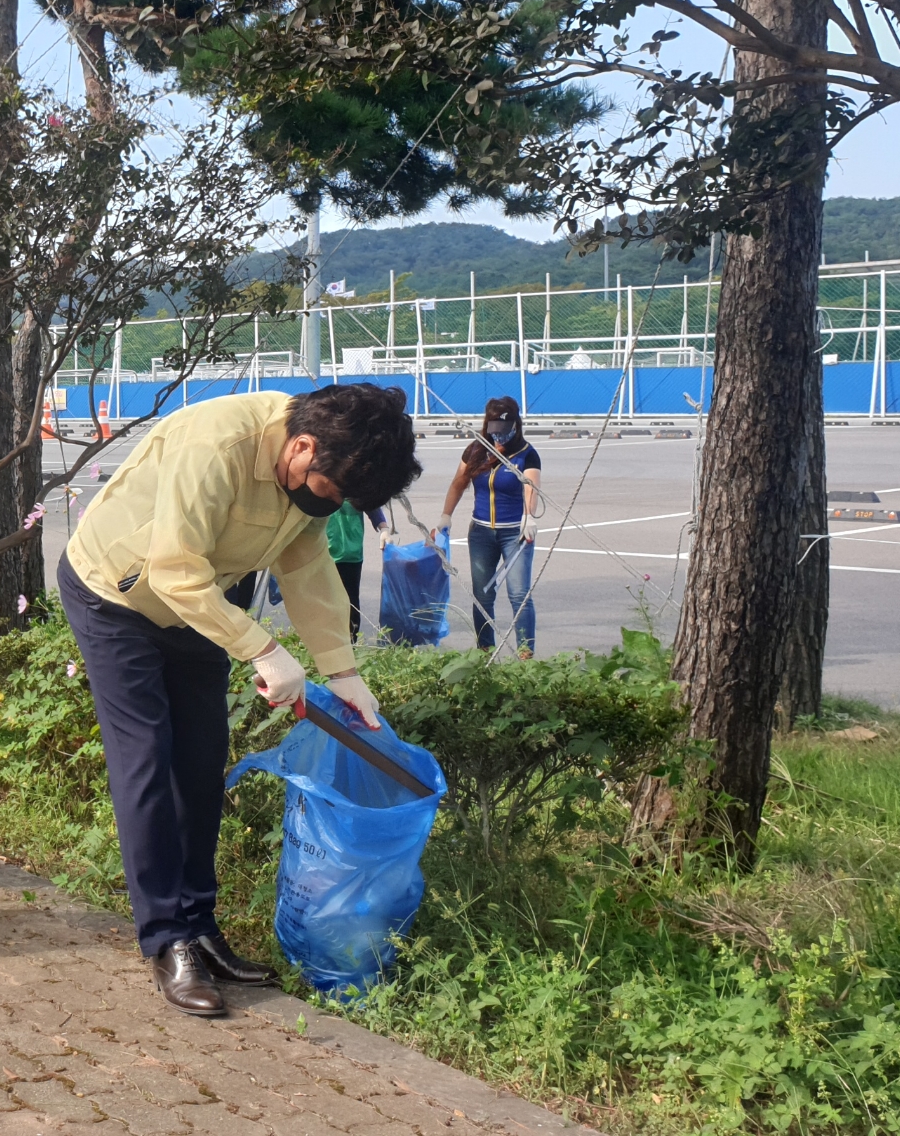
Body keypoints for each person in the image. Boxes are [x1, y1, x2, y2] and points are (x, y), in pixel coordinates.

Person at [61, 383, 421, 1018]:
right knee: (146, 758)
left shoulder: (311, 469)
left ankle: (199, 924)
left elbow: (306, 568)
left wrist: (342, 672)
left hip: (198, 607)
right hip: (117, 595)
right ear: (304, 446)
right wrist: (261, 649)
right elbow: (173, 568)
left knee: (202, 761)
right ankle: (166, 938)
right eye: (330, 491)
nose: (328, 504)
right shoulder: (217, 445)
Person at [439, 396, 541, 656]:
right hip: (481, 533)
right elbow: (458, 484)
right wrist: (446, 515)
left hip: (514, 534)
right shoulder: (476, 450)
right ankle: (485, 651)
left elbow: (531, 487)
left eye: (504, 433)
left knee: (519, 594)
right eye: (494, 432)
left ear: (516, 426)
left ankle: (526, 655)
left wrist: (529, 517)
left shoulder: (527, 454)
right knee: (483, 595)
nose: (499, 438)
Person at [325, 498, 387, 641]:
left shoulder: (355, 480)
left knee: (350, 600)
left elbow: (370, 503)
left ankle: (350, 642)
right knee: (323, 599)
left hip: (350, 553)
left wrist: (384, 528)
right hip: (322, 550)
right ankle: (325, 644)